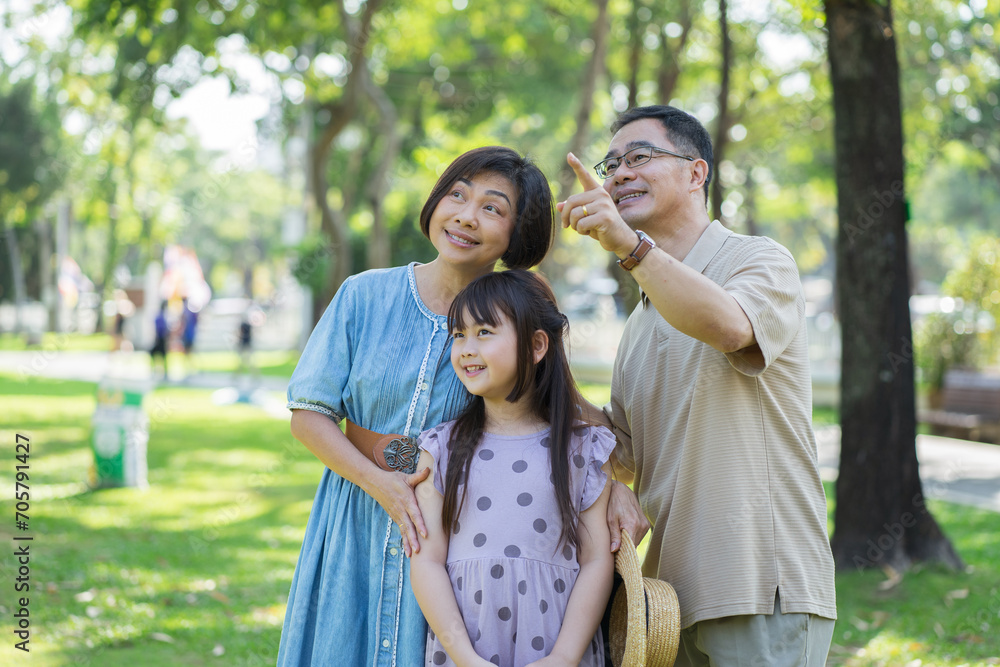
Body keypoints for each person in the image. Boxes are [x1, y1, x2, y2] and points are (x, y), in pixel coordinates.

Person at [558, 105, 837, 666]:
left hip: (760, 584)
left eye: (639, 158)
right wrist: (538, 361)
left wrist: (628, 247)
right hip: (668, 599)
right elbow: (627, 455)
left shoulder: (757, 260)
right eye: (610, 164)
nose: (617, 175)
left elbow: (732, 327)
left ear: (695, 172)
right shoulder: (640, 319)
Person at [278, 146, 556, 667]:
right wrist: (378, 479)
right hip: (353, 525)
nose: (466, 216)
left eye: (493, 208)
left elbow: (558, 413)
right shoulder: (363, 295)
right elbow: (309, 414)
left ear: (518, 236)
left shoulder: (523, 314)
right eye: (457, 194)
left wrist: (612, 486)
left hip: (456, 544)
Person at [411, 269, 614, 667]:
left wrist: (565, 657)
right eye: (459, 335)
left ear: (537, 345)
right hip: (468, 649)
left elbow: (595, 562)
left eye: (484, 332)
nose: (466, 348)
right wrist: (463, 656)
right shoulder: (441, 449)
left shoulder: (584, 448)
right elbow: (427, 560)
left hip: (556, 647)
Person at [149, 300, 169, 379]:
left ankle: (163, 370)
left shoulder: (162, 316)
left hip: (161, 339)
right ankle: (161, 370)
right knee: (157, 354)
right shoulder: (162, 316)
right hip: (160, 339)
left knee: (161, 355)